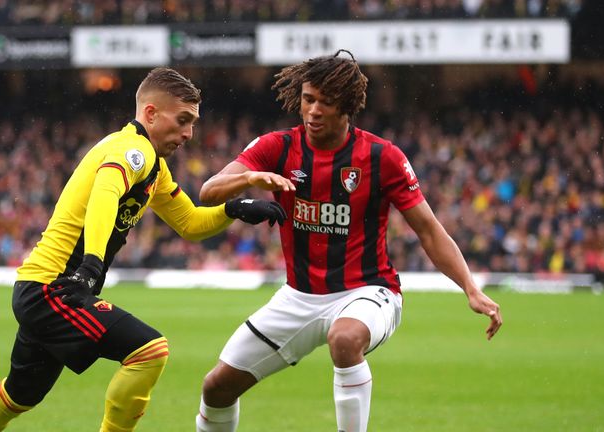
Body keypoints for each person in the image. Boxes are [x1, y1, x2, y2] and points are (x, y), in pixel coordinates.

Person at [0, 67, 286, 432]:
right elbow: (105, 195)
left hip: (42, 286)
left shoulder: (152, 165)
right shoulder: (132, 150)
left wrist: (233, 209)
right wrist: (91, 267)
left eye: (193, 123)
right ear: (151, 114)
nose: (189, 134)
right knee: (149, 351)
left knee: (17, 396)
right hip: (54, 288)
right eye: (183, 120)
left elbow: (188, 222)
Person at [194, 50, 503, 432]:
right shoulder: (278, 147)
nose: (313, 110)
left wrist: (470, 288)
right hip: (298, 297)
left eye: (327, 102)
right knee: (217, 388)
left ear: (348, 107)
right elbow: (209, 191)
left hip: (369, 291)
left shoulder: (381, 157)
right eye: (308, 99)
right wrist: (251, 179)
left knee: (344, 339)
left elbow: (429, 230)